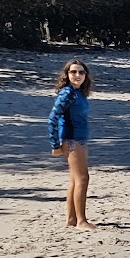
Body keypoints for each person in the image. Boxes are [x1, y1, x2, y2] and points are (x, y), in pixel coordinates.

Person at [48, 59, 96, 230]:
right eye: (73, 72)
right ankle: (82, 221)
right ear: (67, 75)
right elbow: (52, 118)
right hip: (72, 140)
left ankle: (71, 219)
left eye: (81, 72)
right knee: (83, 179)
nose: (77, 75)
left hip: (80, 139)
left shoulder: (79, 93)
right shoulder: (67, 93)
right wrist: (55, 145)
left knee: (75, 180)